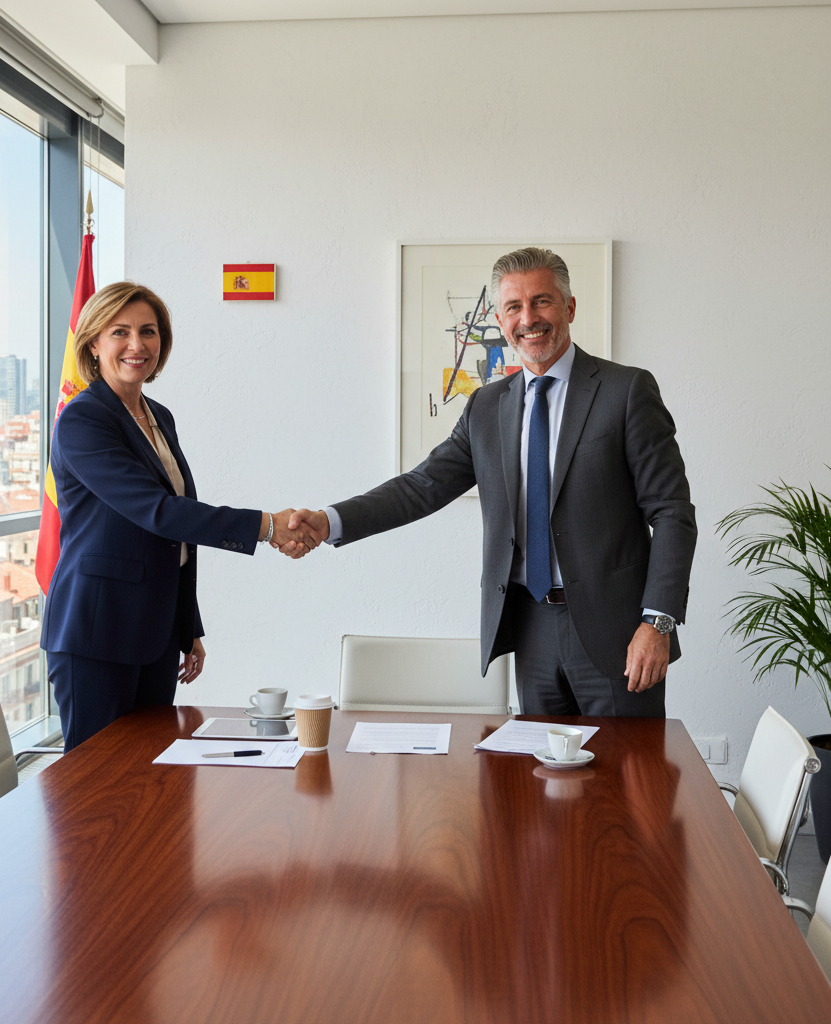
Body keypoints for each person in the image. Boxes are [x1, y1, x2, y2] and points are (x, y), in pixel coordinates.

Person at [285, 248, 696, 717]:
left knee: (627, 784)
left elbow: (672, 514)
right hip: (530, 626)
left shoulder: (626, 392)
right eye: (514, 308)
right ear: (500, 320)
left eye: (542, 302)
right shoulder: (486, 407)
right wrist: (328, 520)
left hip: (619, 634)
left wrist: (657, 622)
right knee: (539, 783)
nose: (529, 319)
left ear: (570, 308)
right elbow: (422, 486)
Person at [41, 281, 316, 750]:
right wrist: (268, 526)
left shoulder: (158, 415)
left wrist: (186, 627)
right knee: (95, 784)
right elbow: (159, 513)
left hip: (154, 631)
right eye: (120, 332)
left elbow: (172, 545)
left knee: (152, 770)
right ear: (93, 342)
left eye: (148, 331)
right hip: (98, 631)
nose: (136, 345)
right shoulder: (83, 420)